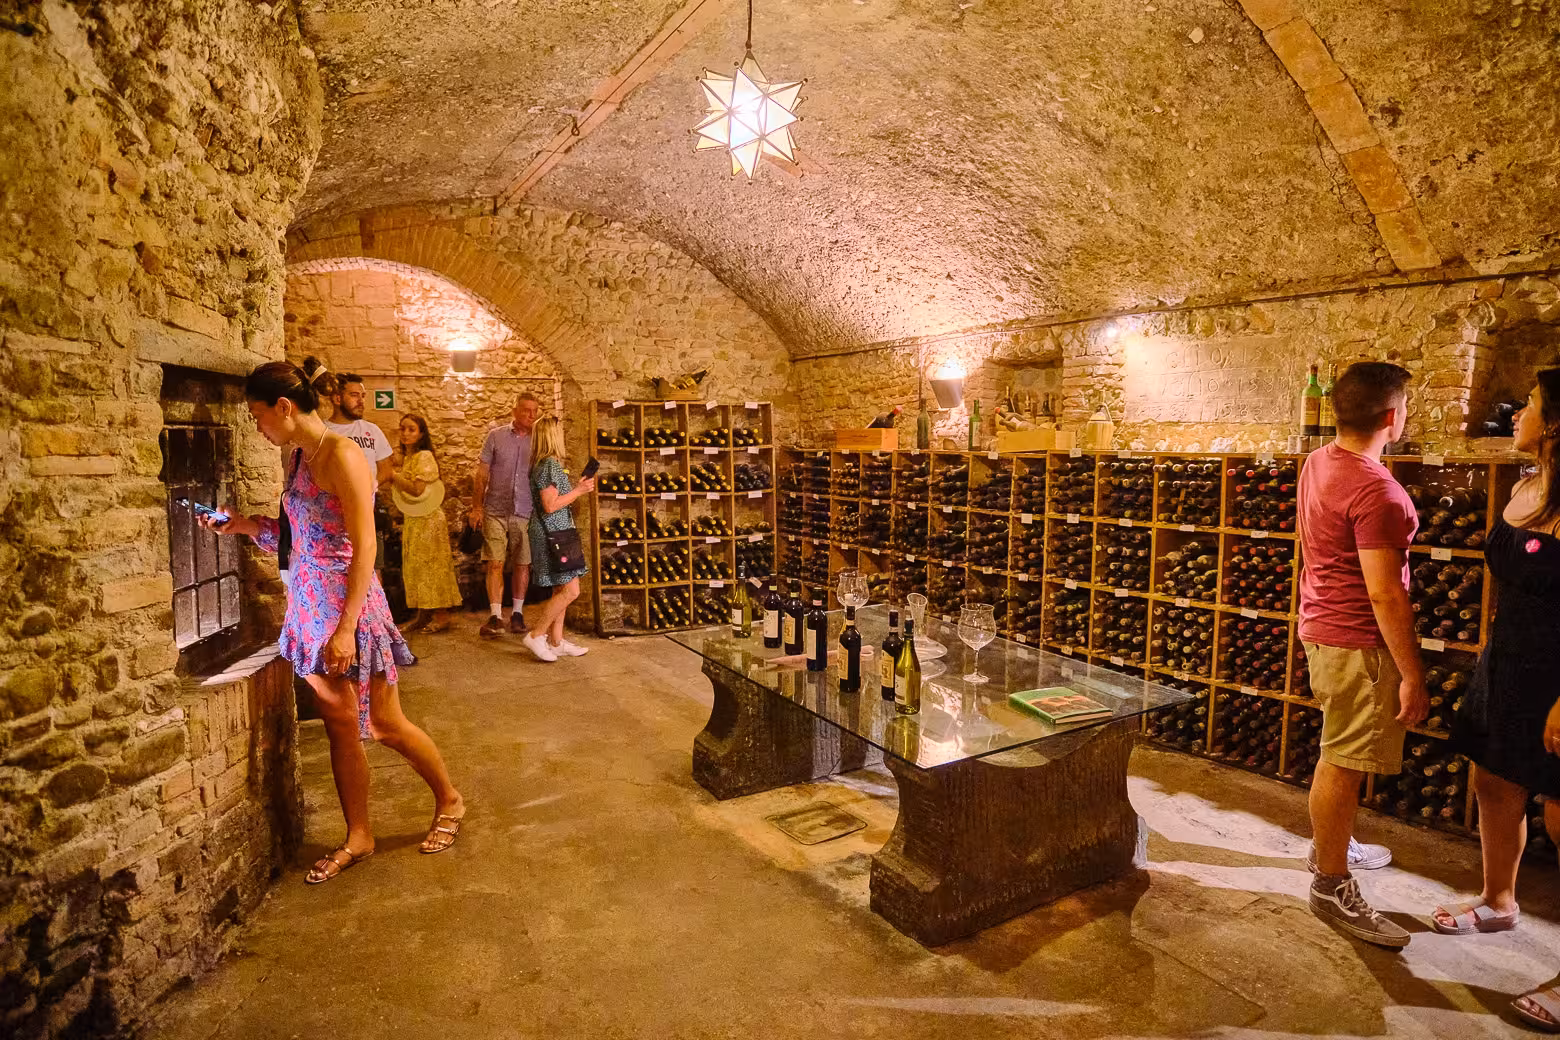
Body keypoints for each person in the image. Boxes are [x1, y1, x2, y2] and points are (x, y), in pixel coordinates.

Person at [203, 361, 465, 883]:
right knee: (340, 727)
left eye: (258, 415)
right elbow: (301, 533)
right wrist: (244, 525)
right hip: (308, 605)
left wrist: (346, 628)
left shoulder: (343, 455)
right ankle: (359, 835)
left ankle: (451, 800)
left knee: (385, 724)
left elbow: (364, 544)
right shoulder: (298, 456)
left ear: (284, 408)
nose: (257, 426)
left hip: (350, 606)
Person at [1435, 369, 1560, 1031]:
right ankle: (1497, 900)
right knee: (1493, 783)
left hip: (1559, 680)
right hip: (1507, 663)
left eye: (1532, 405)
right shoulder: (1523, 489)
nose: (1517, 413)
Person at [1296, 361, 1426, 949]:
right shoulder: (1380, 492)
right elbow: (1383, 590)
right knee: (1344, 759)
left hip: (1320, 626)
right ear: (1392, 417)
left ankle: (1334, 842)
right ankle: (1330, 882)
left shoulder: (1318, 461)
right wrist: (1411, 672)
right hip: (1358, 640)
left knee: (1336, 743)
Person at [522, 416, 596, 662]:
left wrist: (575, 488)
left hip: (556, 533)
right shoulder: (549, 465)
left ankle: (555, 641)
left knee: (561, 587)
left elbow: (555, 498)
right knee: (571, 590)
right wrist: (579, 491)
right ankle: (536, 635)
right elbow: (550, 506)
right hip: (553, 535)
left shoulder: (545, 464)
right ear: (552, 435)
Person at [470, 393, 542, 638]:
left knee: (523, 563)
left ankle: (518, 613)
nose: (531, 415)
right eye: (526, 411)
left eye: (535, 411)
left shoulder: (539, 441)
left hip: (525, 510)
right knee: (495, 562)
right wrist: (476, 507)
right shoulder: (496, 437)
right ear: (515, 412)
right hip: (496, 510)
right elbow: (481, 474)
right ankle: (496, 615)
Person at [390, 414, 462, 635]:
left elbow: (417, 489)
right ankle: (423, 614)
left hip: (429, 520)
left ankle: (441, 616)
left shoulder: (424, 456)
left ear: (421, 434)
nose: (405, 433)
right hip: (416, 519)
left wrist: (391, 475)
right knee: (416, 567)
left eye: (411, 429)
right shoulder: (409, 458)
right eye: (402, 429)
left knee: (432, 567)